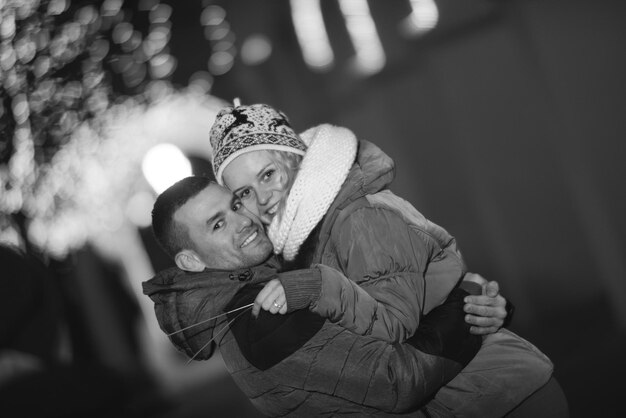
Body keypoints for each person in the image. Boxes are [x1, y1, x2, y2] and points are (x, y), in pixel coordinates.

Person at [208, 102, 568, 416]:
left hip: (506, 397)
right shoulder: (300, 235)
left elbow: (396, 326)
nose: (264, 197)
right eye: (245, 193)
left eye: (268, 174)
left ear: (294, 157)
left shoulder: (357, 217)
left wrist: (318, 286)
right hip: (472, 398)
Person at [143, 178, 564, 417]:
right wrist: (466, 297)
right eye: (217, 225)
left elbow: (391, 315)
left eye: (235, 205)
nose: (243, 221)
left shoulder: (278, 276)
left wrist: (487, 307)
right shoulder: (260, 317)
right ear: (191, 261)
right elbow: (398, 380)